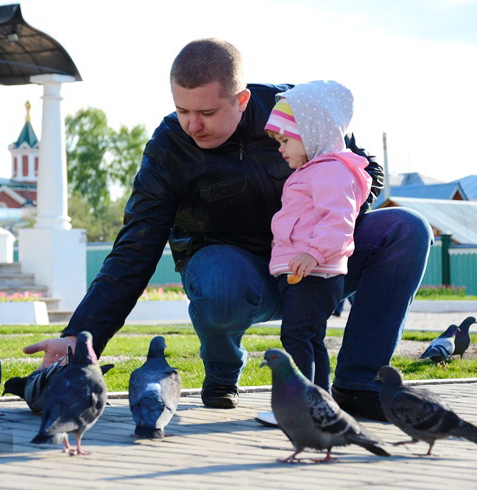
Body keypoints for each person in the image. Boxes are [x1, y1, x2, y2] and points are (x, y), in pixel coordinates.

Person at [23, 38, 432, 422]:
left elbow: (363, 169)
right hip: (237, 276)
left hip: (311, 266)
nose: (192, 125)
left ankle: (358, 384)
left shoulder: (298, 111)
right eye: (182, 110)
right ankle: (223, 366)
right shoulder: (168, 149)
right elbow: (134, 249)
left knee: (406, 229)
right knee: (220, 280)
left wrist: (322, 233)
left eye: (206, 113)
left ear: (242, 100)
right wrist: (81, 337)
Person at [265, 80, 371, 394]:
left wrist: (313, 253)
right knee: (310, 337)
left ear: (312, 134)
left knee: (296, 337)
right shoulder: (313, 171)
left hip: (314, 271)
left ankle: (299, 402)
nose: (281, 149)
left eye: (285, 140)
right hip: (308, 271)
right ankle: (319, 399)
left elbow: (339, 219)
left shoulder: (330, 171)